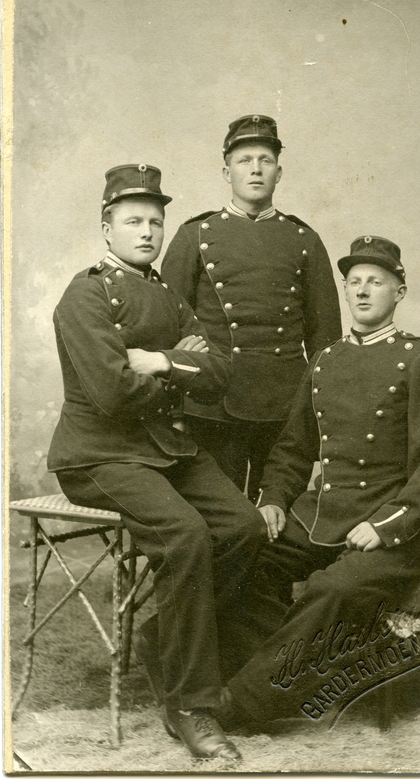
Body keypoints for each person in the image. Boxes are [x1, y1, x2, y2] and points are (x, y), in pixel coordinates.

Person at [47, 164, 268, 762]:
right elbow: (112, 392)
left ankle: (164, 641)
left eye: (155, 222)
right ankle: (191, 704)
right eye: (133, 221)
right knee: (185, 534)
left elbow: (220, 373)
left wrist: (159, 360)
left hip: (166, 448)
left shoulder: (168, 294)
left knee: (244, 527)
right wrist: (178, 364)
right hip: (98, 454)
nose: (147, 232)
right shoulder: (86, 295)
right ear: (107, 227)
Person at [212, 236, 420, 728]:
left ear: (400, 292)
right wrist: (273, 500)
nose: (363, 291)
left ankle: (242, 704)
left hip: (394, 530)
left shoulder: (419, 358)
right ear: (345, 290)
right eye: (354, 282)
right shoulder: (325, 360)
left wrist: (386, 526)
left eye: (376, 282)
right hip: (321, 515)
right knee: (244, 559)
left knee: (332, 589)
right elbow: (293, 448)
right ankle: (272, 673)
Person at [161, 115, 342, 502]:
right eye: (244, 160)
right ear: (226, 172)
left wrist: (317, 409)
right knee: (221, 515)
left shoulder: (304, 239)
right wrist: (175, 408)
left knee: (276, 511)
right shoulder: (194, 235)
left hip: (284, 404)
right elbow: (169, 324)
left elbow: (325, 338)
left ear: (279, 172)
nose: (256, 169)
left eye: (265, 160)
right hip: (212, 404)